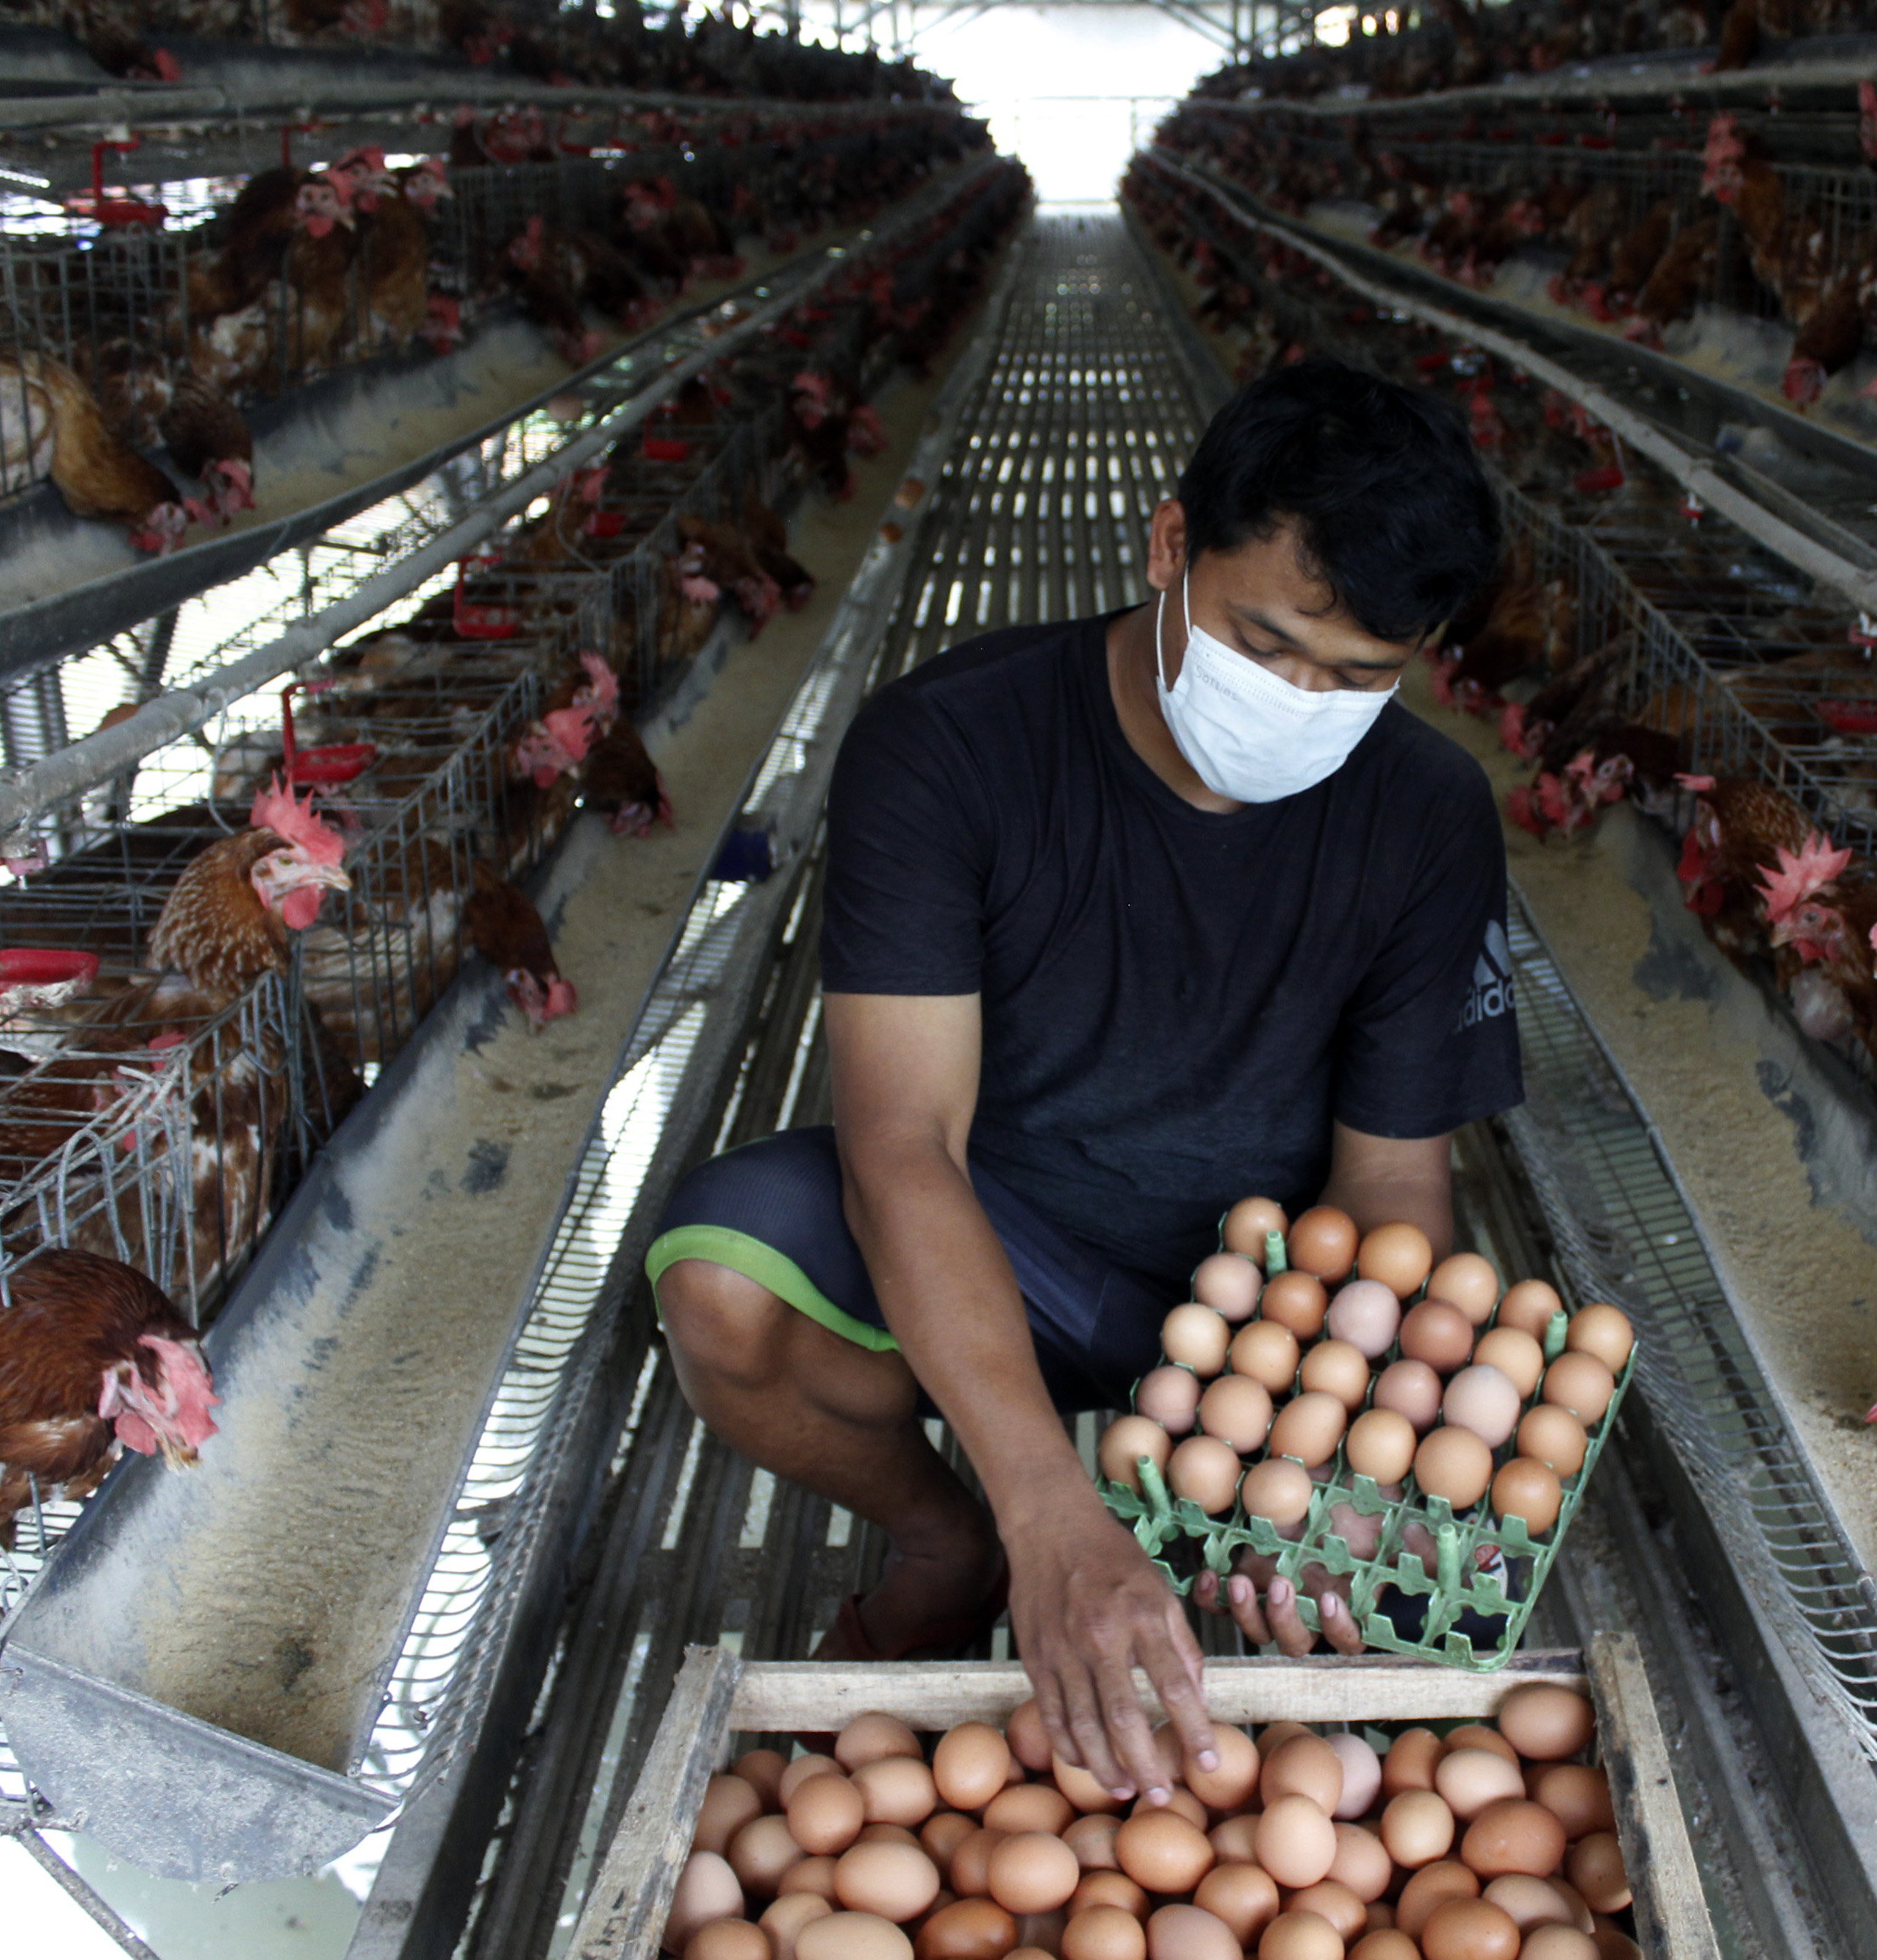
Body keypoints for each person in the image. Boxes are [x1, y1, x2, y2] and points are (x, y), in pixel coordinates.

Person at [646, 358, 1518, 1803]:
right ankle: (956, 1541)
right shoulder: (950, 747)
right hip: (1004, 1249)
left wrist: (1327, 1467)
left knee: (1428, 1458)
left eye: (1360, 676)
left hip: (1254, 1305)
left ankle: (1202, 1529)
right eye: (1267, 642)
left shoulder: (1422, 815)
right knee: (722, 1284)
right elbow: (903, 1144)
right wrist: (1045, 1507)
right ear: (1170, 546)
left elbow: (1388, 1183)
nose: (1303, 701)